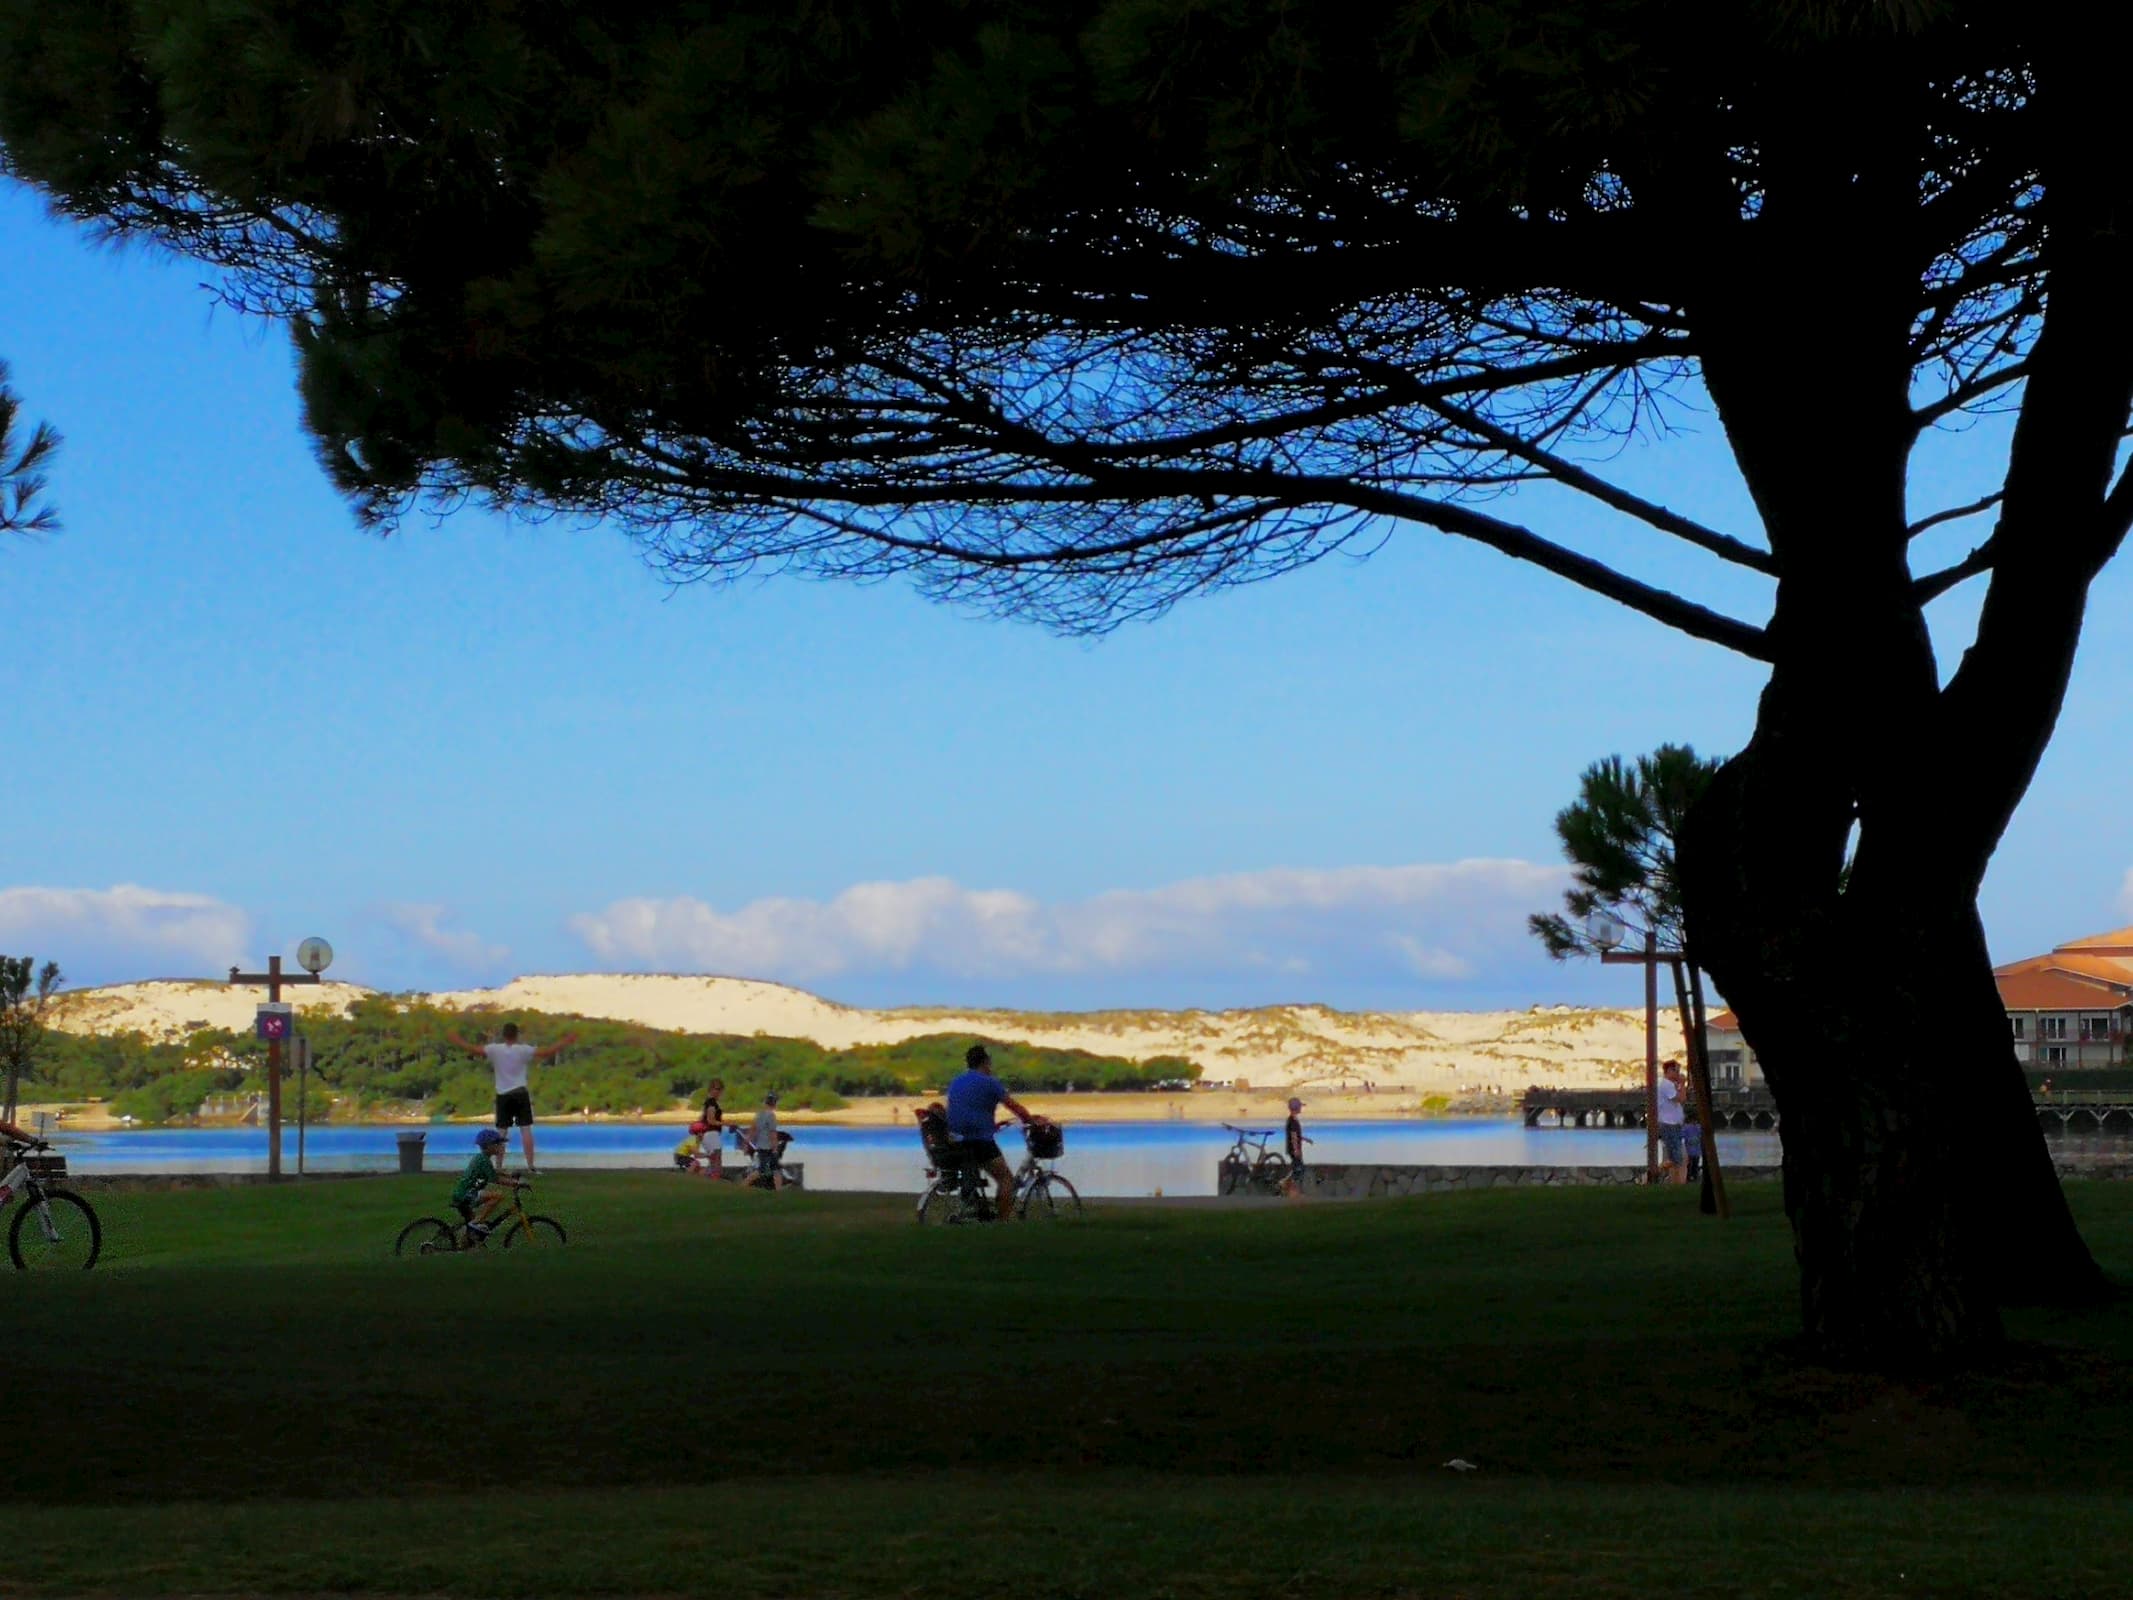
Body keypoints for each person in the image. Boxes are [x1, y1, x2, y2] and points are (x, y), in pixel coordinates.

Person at [445, 1021, 577, 1175]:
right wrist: (566, 1041)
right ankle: (531, 1165)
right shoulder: (523, 1050)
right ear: (517, 1034)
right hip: (520, 1092)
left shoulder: (495, 1050)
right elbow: (547, 1052)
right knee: (526, 1130)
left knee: (501, 1132)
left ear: (503, 1034)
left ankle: (499, 1167)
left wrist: (456, 1040)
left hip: (503, 1094)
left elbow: (473, 1049)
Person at [944, 1043, 1045, 1220]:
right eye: (989, 1063)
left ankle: (984, 1209)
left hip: (956, 1140)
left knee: (987, 1171)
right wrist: (1031, 1121)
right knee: (1006, 1179)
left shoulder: (956, 1082)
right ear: (985, 1063)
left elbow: (966, 1110)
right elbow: (1014, 1107)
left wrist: (992, 1126)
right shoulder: (990, 1083)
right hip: (978, 1141)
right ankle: (1002, 1222)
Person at [449, 1127, 524, 1242]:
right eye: (497, 1144)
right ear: (488, 1146)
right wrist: (515, 1183)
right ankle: (475, 1223)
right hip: (467, 1194)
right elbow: (495, 1179)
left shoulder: (482, 1159)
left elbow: (494, 1172)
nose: (500, 1146)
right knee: (498, 1196)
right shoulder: (483, 1160)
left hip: (464, 1194)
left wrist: (510, 1175)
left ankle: (463, 1246)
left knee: (472, 1232)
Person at [1656, 1059, 1689, 1184]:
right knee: (1677, 1159)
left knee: (1680, 1159)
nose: (1679, 1074)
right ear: (1669, 1071)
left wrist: (1679, 1085)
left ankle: (1677, 1183)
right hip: (1669, 1125)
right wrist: (1683, 1083)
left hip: (1674, 1125)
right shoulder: (1666, 1085)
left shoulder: (1670, 1085)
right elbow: (1681, 1098)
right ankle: (1652, 1173)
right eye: (1677, 1071)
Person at [748, 1091, 787, 1189]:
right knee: (768, 1170)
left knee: (773, 1169)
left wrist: (748, 1141)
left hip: (760, 1146)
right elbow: (772, 1133)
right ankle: (743, 1185)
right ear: (775, 1103)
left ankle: (779, 1191)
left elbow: (753, 1129)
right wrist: (775, 1147)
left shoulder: (759, 1115)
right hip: (768, 1147)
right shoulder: (771, 1116)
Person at [1283, 1095, 1314, 1198]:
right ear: (1296, 1108)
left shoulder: (1292, 1120)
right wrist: (1296, 1149)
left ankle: (1291, 1189)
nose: (1301, 1108)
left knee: (1297, 1168)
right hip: (1293, 1149)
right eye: (1300, 1106)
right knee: (1298, 1169)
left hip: (1293, 1148)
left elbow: (1296, 1135)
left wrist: (1305, 1139)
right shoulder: (1292, 1121)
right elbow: (1293, 1136)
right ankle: (1292, 1191)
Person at [699, 1079, 727, 1180]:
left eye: (720, 1089)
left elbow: (702, 1117)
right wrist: (725, 1123)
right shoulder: (711, 1103)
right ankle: (714, 1178)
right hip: (711, 1134)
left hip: (709, 1134)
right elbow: (711, 1120)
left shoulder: (709, 1102)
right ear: (711, 1089)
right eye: (717, 1089)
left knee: (713, 1159)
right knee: (716, 1159)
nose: (719, 1092)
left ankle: (710, 1178)